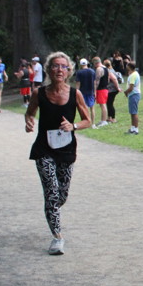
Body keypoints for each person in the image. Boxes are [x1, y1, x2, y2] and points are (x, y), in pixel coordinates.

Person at [25, 52, 91, 255]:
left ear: (69, 71)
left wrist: (73, 126)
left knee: (61, 195)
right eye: (55, 66)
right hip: (44, 149)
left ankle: (51, 208)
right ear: (48, 70)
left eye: (64, 66)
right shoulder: (39, 93)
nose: (59, 70)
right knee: (52, 192)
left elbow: (88, 120)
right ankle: (57, 237)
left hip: (66, 150)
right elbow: (30, 112)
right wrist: (29, 121)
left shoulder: (75, 94)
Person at [92, 57, 111, 126]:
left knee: (103, 105)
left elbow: (97, 81)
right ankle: (102, 120)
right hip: (105, 88)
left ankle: (104, 121)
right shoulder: (106, 68)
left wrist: (94, 90)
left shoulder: (99, 69)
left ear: (95, 63)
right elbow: (108, 79)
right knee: (102, 104)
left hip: (101, 89)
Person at [124, 61, 141, 134]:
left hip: (134, 94)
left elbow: (131, 87)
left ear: (129, 67)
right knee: (132, 112)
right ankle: (132, 128)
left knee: (134, 112)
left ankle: (136, 129)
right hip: (133, 95)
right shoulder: (134, 74)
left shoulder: (133, 75)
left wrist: (126, 92)